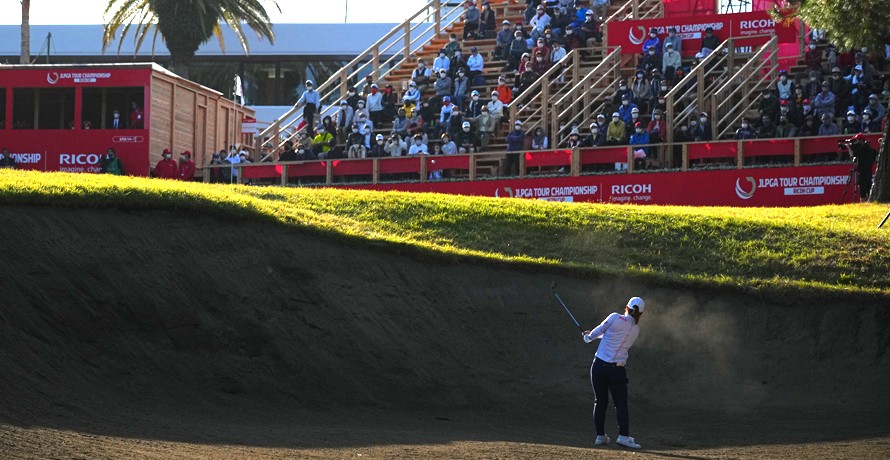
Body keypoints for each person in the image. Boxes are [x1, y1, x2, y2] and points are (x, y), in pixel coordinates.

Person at [582, 296, 646, 450]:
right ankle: (623, 436)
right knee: (621, 404)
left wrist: (588, 337)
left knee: (600, 401)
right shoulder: (636, 330)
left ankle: (600, 436)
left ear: (627, 307)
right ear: (640, 314)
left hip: (599, 367)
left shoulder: (614, 317)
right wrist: (594, 336)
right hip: (617, 370)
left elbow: (599, 332)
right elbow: (614, 335)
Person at [847, 133, 878, 200]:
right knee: (869, 190)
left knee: (862, 192)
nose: (855, 142)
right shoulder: (871, 150)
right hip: (869, 172)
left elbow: (852, 155)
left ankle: (863, 203)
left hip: (862, 172)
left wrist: (848, 147)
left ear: (861, 140)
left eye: (857, 140)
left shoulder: (861, 149)